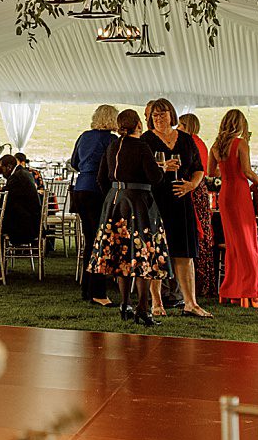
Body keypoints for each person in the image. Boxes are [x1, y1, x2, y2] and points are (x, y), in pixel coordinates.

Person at [87, 108, 169, 323]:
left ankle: (125, 304)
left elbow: (101, 177)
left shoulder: (113, 146)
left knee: (121, 256)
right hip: (139, 203)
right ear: (138, 126)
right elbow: (155, 177)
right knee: (141, 255)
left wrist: (113, 195)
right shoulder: (142, 147)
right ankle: (143, 306)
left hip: (114, 203)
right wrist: (162, 168)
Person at [141, 98, 208, 317]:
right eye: (155, 116)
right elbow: (141, 170)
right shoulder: (146, 140)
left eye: (162, 114)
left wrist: (192, 185)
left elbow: (198, 169)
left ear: (172, 114)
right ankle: (157, 302)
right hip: (157, 201)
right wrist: (162, 165)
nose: (158, 119)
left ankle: (191, 302)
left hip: (182, 200)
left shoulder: (187, 140)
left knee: (185, 253)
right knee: (156, 251)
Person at [209, 109, 258, 308]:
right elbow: (247, 171)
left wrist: (225, 169)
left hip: (225, 194)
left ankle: (230, 289)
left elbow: (211, 172)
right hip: (240, 194)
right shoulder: (240, 143)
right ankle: (251, 290)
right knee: (248, 242)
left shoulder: (216, 146)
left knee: (233, 244)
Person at [70, 106, 120, 304]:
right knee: (99, 241)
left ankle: (87, 288)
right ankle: (98, 292)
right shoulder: (111, 140)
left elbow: (74, 162)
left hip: (80, 188)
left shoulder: (84, 136)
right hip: (98, 190)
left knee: (90, 240)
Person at [178, 113, 217, 301]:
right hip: (200, 191)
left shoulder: (189, 143)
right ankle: (203, 282)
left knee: (196, 235)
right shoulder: (200, 142)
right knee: (202, 235)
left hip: (193, 190)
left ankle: (197, 282)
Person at [0, 154, 41, 245]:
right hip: (31, 221)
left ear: (9, 167)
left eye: (1, 168)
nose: (0, 172)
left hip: (24, 226)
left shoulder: (16, 177)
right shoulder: (22, 172)